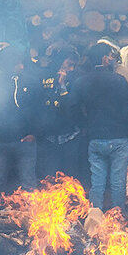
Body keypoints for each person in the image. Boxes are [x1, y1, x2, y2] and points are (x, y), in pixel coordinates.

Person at [69, 41, 128, 211]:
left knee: (97, 183)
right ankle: (117, 220)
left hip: (95, 139)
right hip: (118, 139)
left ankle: (95, 218)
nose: (112, 59)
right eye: (111, 56)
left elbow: (72, 108)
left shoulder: (81, 82)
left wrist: (83, 125)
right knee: (117, 183)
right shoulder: (119, 81)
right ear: (105, 58)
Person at [0, 44, 39, 206]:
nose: (21, 67)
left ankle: (34, 219)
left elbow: (39, 111)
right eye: (16, 64)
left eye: (21, 63)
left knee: (29, 183)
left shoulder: (32, 83)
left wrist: (35, 134)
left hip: (25, 143)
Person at [34, 44, 85, 183]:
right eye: (69, 64)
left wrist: (62, 87)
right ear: (60, 61)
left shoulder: (77, 80)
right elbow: (38, 104)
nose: (71, 69)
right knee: (48, 179)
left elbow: (71, 107)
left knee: (70, 180)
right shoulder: (43, 77)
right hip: (48, 139)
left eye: (74, 65)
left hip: (70, 138)